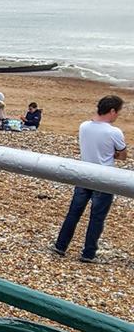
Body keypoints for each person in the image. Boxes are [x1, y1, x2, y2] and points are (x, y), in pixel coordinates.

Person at [53, 95, 126, 263]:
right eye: (117, 113)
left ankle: (61, 245)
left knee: (74, 213)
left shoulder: (84, 126)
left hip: (84, 173)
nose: (117, 116)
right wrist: (112, 153)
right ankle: (88, 253)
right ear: (112, 111)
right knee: (97, 218)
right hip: (104, 177)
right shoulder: (114, 132)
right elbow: (122, 155)